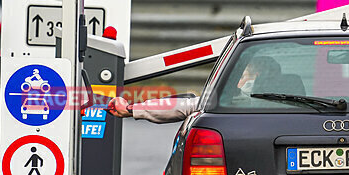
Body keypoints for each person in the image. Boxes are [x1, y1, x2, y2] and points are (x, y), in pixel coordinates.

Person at [107, 56, 281, 123]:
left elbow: (183, 106)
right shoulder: (290, 104)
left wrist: (131, 108)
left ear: (255, 77)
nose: (238, 83)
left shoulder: (236, 100)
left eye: (241, 77)